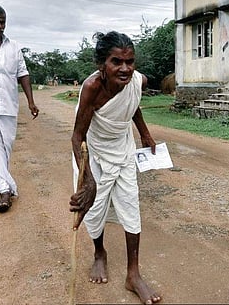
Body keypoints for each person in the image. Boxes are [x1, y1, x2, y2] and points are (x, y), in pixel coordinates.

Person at [70, 31, 161, 304]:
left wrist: (144, 133)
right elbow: (77, 137)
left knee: (130, 206)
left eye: (129, 61)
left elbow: (132, 104)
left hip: (123, 147)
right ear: (102, 64)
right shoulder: (92, 87)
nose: (125, 68)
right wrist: (88, 180)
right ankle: (99, 253)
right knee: (94, 209)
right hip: (95, 152)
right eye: (116, 62)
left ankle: (133, 274)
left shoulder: (137, 81)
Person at [0, 5, 39, 212]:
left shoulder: (14, 47)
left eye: (2, 21)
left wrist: (31, 101)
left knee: (4, 148)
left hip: (9, 105)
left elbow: (23, 74)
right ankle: (6, 191)